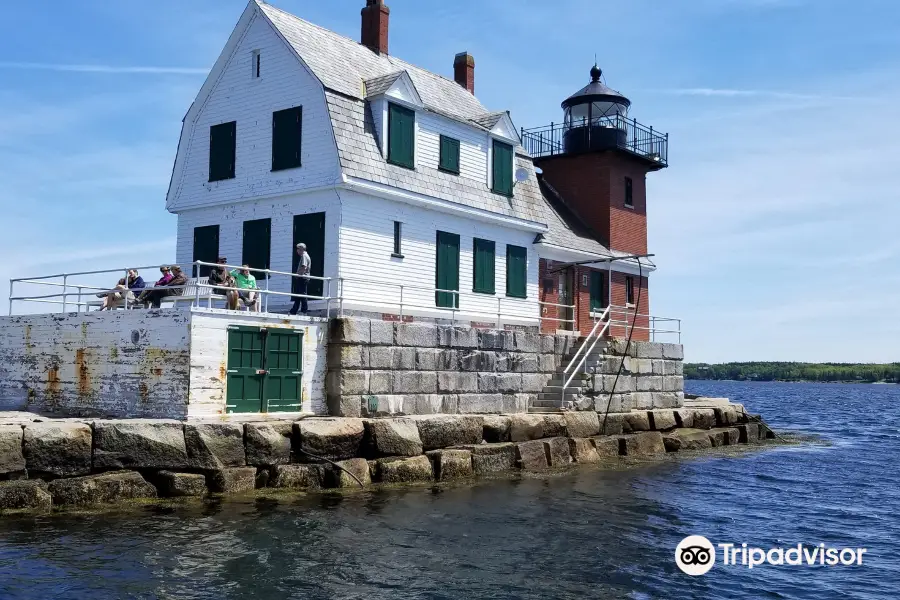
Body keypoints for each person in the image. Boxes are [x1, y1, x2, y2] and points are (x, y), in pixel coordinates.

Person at [290, 242, 311, 315]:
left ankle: (304, 311)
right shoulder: (305, 256)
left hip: (303, 278)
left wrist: (298, 275)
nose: (297, 251)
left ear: (301, 249)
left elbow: (303, 267)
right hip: (302, 277)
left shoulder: (304, 256)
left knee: (302, 294)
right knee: (298, 295)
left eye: (298, 249)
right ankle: (294, 311)